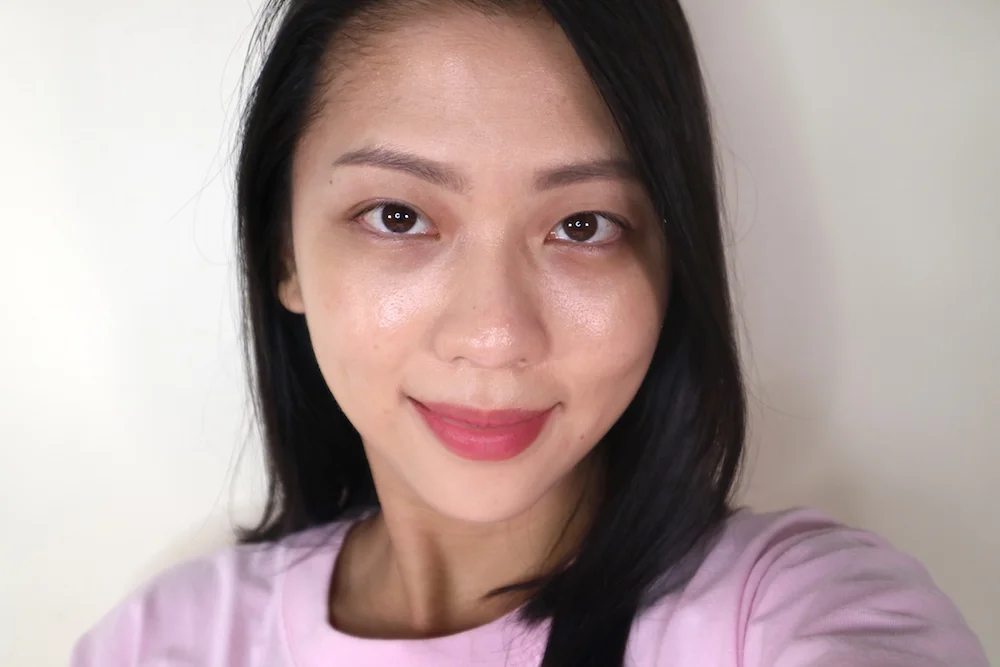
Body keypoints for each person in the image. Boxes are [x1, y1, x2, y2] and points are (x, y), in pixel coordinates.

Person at [70, 0, 990, 665]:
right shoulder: (164, 641)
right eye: (398, 216)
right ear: (286, 252)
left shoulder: (780, 611)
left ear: (673, 257)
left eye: (583, 225)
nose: (495, 335)